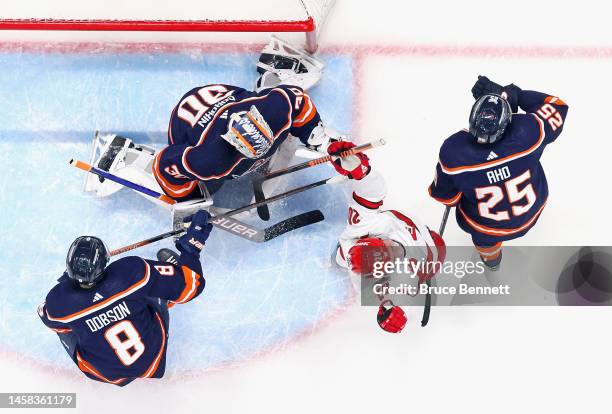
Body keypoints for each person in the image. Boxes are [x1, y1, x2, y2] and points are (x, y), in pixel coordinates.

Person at [37, 210, 212, 386]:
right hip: (153, 361)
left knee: (64, 325)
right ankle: (171, 277)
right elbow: (192, 286)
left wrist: (72, 287)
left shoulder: (57, 302)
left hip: (106, 373)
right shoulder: (131, 271)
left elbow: (45, 316)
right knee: (147, 286)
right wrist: (192, 247)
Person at [428, 76, 568, 270]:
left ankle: (492, 263)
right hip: (532, 210)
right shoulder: (529, 132)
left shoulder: (454, 153)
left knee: (484, 241)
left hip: (488, 229)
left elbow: (446, 198)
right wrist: (515, 96)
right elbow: (558, 106)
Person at [329, 141, 446, 332]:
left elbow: (390, 298)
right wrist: (361, 171)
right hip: (427, 247)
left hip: (425, 247)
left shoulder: (388, 283)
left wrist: (388, 311)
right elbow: (373, 191)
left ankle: (340, 260)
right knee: (339, 258)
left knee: (339, 260)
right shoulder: (370, 226)